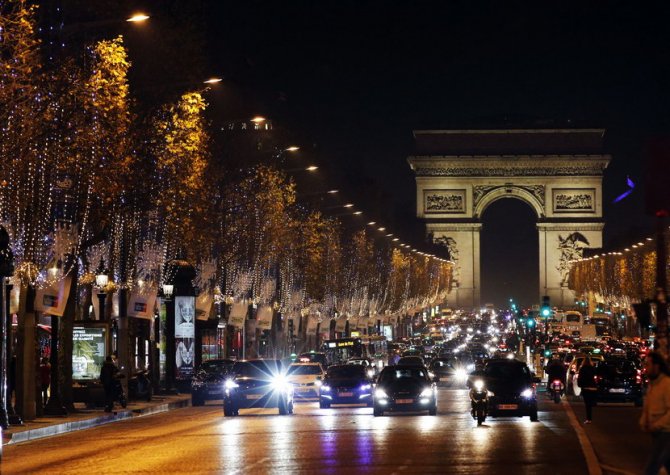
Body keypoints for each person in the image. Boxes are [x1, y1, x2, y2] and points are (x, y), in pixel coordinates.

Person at [640, 351, 670, 474]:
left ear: (657, 366)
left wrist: (656, 424)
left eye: (648, 365)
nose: (645, 368)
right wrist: (644, 421)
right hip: (657, 433)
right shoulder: (653, 384)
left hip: (667, 433)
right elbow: (648, 406)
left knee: (652, 467)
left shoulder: (667, 384)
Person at [577, 357, 598, 424]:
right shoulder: (593, 368)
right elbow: (595, 377)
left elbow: (580, 378)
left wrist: (580, 385)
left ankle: (589, 419)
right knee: (591, 402)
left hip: (586, 388)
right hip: (593, 387)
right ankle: (593, 404)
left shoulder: (582, 369)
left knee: (587, 404)